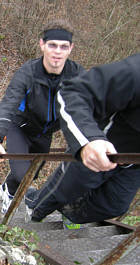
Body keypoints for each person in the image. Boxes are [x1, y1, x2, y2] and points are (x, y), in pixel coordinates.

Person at [25, 53, 140, 225]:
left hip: (133, 164)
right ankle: (34, 210)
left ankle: (71, 215)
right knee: (62, 190)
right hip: (100, 147)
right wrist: (87, 140)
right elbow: (72, 92)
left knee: (115, 205)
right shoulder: (135, 72)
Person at [0, 19, 84, 214]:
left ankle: (7, 187)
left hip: (46, 132)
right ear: (42, 45)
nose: (58, 51)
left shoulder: (77, 74)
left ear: (71, 48)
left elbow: (90, 106)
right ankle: (10, 195)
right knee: (23, 173)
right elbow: (8, 103)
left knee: (34, 173)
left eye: (63, 46)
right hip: (20, 127)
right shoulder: (27, 73)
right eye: (52, 45)